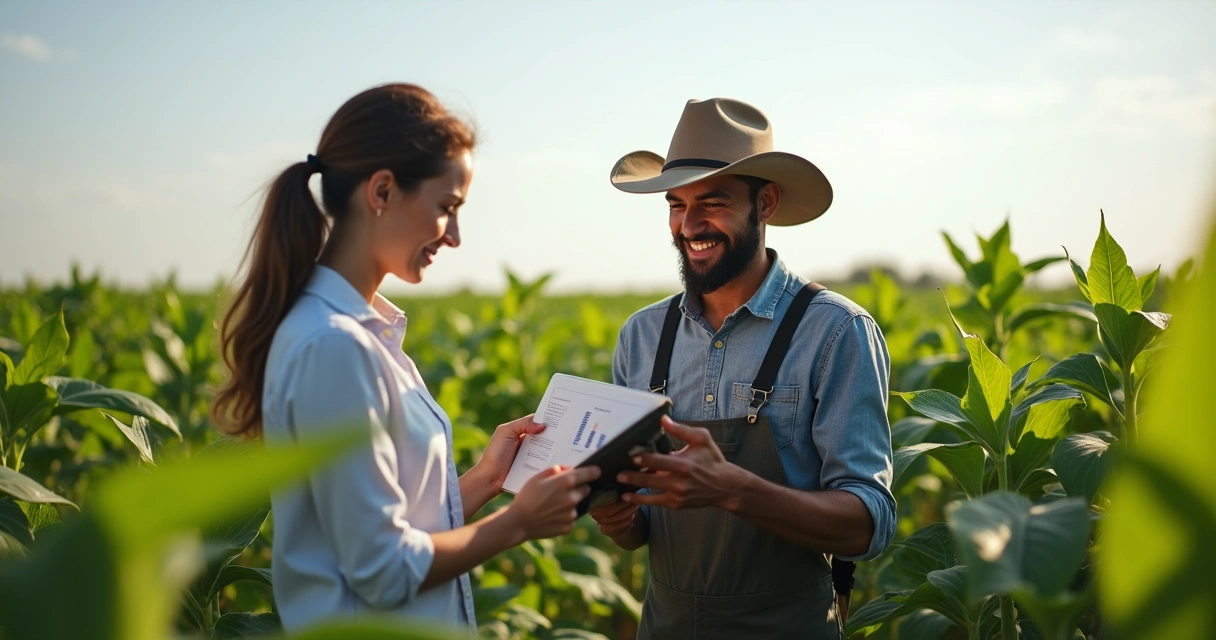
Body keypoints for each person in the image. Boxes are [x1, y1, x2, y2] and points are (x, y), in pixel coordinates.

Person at [211, 84, 599, 633]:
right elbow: (383, 572)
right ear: (383, 191)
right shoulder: (335, 346)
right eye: (447, 208)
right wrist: (518, 523)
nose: (456, 236)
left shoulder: (363, 334)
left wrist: (488, 478)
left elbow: (388, 527)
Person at [589, 98, 897, 639]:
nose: (690, 225)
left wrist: (733, 488)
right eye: (675, 205)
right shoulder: (641, 336)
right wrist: (619, 518)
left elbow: (869, 523)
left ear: (767, 203)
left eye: (713, 202)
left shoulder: (835, 332)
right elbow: (641, 528)